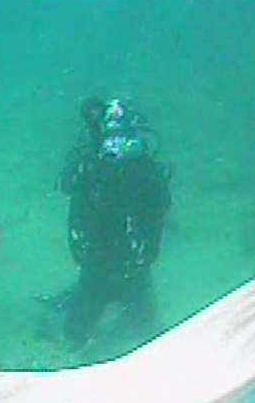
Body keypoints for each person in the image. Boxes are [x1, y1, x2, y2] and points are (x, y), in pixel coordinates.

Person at [56, 96, 171, 350]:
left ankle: (94, 332)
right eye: (112, 139)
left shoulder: (140, 168)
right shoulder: (91, 163)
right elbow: (68, 186)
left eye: (124, 140)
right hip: (106, 251)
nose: (117, 148)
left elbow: (159, 204)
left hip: (123, 253)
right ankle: (83, 335)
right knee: (86, 313)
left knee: (137, 314)